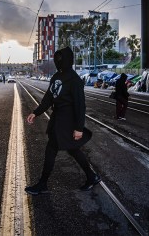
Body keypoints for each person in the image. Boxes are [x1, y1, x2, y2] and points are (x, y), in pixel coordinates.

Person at [25, 47, 101, 195]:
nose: (59, 61)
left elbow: (80, 106)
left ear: (68, 60)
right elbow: (48, 98)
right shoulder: (56, 77)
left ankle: (43, 184)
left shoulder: (74, 80)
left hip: (68, 121)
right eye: (57, 58)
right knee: (72, 149)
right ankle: (91, 177)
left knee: (52, 149)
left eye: (62, 58)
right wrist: (36, 113)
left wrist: (79, 128)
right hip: (57, 119)